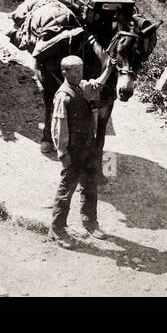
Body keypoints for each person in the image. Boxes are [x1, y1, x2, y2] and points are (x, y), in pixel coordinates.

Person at [48, 50, 114, 246]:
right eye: (75, 72)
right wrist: (63, 154)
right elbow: (58, 128)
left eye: (81, 71)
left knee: (90, 184)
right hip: (74, 151)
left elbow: (96, 85)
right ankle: (57, 230)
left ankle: (90, 222)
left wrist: (109, 69)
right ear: (65, 73)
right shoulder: (63, 96)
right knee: (66, 190)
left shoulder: (81, 87)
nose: (79, 75)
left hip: (88, 147)